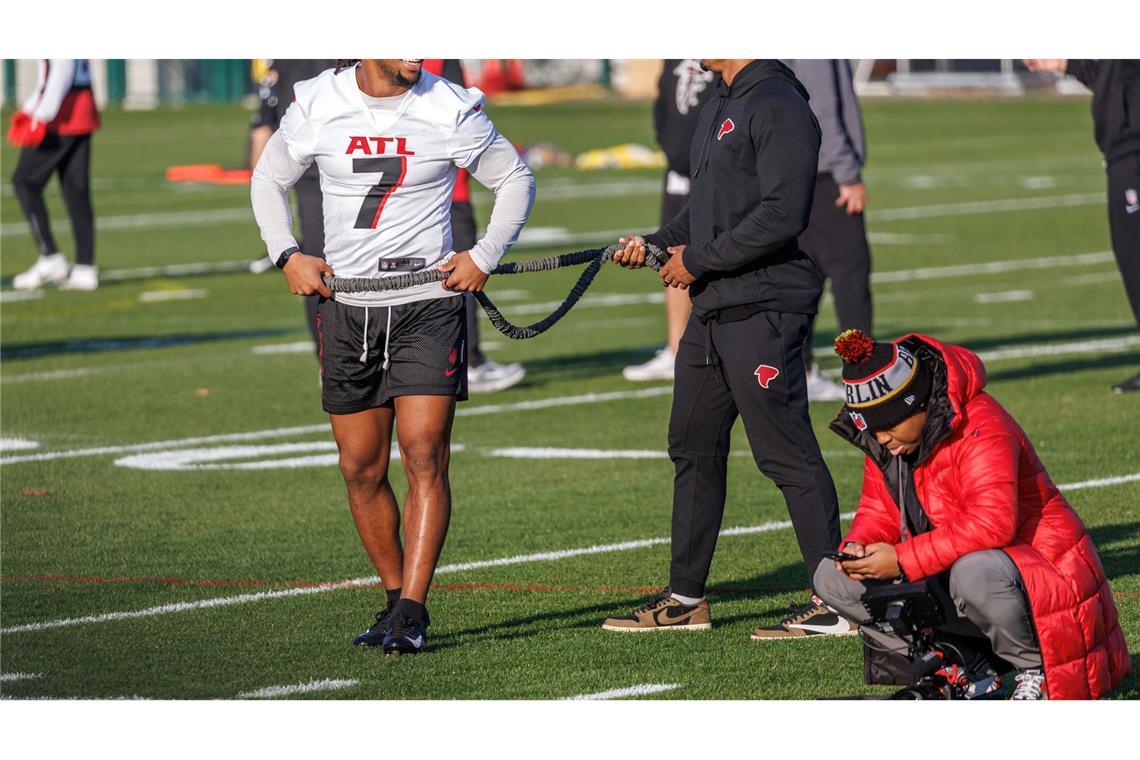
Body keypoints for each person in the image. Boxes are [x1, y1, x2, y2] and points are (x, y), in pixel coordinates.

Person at [250, 59, 535, 654]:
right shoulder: (318, 101)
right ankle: (392, 594)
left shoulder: (448, 104)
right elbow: (267, 179)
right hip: (348, 306)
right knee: (360, 467)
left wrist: (483, 253)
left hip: (427, 305)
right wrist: (286, 254)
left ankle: (413, 608)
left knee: (425, 453)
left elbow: (515, 179)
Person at [603, 60, 854, 640]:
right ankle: (686, 599)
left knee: (785, 454)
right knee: (691, 445)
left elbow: (783, 212)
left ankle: (838, 602)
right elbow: (712, 208)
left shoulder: (777, 102)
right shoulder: (723, 98)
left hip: (764, 307)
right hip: (713, 309)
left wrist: (698, 260)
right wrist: (659, 242)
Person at [815, 329, 1130, 699]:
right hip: (960, 572)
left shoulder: (980, 421)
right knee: (831, 578)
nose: (881, 438)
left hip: (1043, 579)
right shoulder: (894, 441)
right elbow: (878, 509)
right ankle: (956, 663)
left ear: (917, 405)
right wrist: (860, 548)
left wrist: (900, 558)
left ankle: (1037, 670)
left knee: (974, 572)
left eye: (887, 426)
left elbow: (992, 523)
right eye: (873, 428)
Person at [1024, 60, 1139, 395]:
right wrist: (1066, 61)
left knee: (1135, 255)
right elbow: (1110, 74)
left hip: (1133, 147)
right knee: (1131, 258)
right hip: (1122, 150)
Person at [422, 59, 526, 394]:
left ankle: (466, 359)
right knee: (457, 279)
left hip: (430, 192)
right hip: (446, 194)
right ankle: (467, 361)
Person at [781, 59, 873, 402]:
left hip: (796, 173)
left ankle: (797, 369)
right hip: (825, 174)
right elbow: (821, 109)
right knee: (850, 276)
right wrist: (847, 173)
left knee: (807, 275)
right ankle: (862, 372)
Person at [622, 59, 715, 382]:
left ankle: (709, 345)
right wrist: (672, 149)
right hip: (678, 172)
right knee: (671, 253)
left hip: (713, 170)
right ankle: (676, 347)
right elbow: (663, 103)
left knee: (712, 253)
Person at [9, 59, 100, 291]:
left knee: (24, 181)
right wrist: (28, 110)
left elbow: (61, 68)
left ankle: (50, 256)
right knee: (75, 190)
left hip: (61, 115)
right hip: (81, 107)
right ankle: (85, 268)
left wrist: (40, 116)